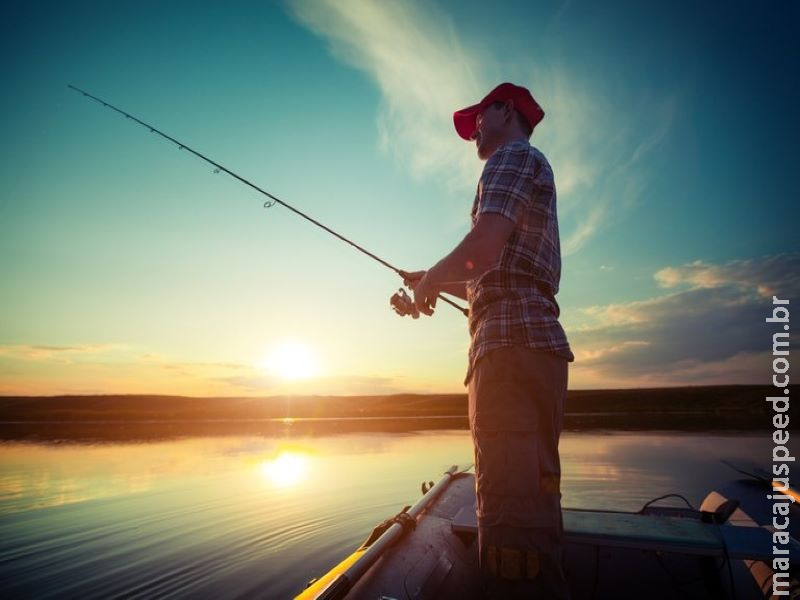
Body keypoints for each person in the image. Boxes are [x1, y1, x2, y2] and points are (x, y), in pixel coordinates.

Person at [395, 82, 574, 599]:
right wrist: (429, 281)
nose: (474, 126)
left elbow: (484, 247)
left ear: (507, 111)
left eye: (480, 115)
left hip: (510, 350)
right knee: (531, 496)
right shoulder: (528, 164)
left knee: (510, 513)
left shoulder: (511, 158)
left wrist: (432, 281)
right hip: (525, 342)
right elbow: (490, 268)